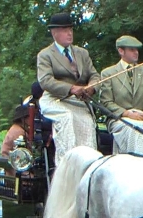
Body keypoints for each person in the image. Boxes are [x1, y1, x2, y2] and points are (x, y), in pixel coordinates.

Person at [37, 12, 101, 166]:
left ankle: (87, 167)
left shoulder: (82, 53)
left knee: (87, 123)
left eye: (71, 29)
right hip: (55, 99)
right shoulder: (45, 55)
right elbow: (45, 81)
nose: (70, 33)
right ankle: (66, 166)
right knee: (67, 118)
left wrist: (91, 88)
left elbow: (95, 76)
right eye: (65, 30)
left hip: (79, 101)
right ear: (54, 33)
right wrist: (71, 88)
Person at [100, 35, 143, 159]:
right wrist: (126, 114)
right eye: (132, 49)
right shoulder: (108, 73)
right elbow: (106, 102)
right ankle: (133, 163)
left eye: (137, 50)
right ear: (121, 51)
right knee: (132, 128)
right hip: (120, 119)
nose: (136, 53)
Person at [1, 82, 44, 176]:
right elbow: (23, 158)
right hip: (17, 173)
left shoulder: (17, 129)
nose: (33, 119)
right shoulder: (20, 133)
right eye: (31, 116)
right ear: (23, 118)